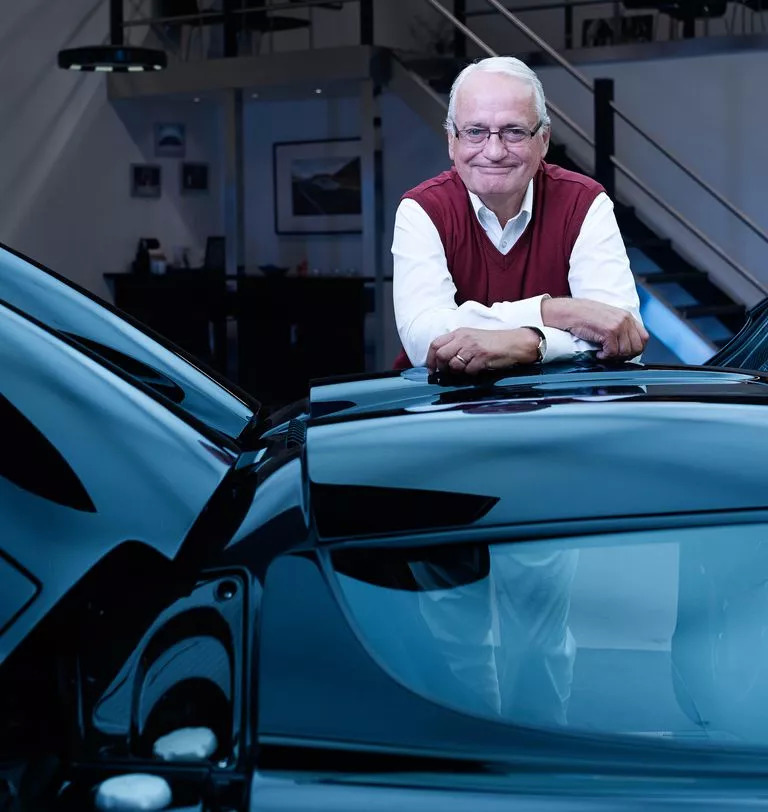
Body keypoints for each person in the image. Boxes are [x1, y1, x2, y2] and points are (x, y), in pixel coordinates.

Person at [392, 56, 649, 374]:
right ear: (451, 141)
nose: (494, 151)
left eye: (514, 132)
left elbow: (623, 338)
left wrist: (527, 343)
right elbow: (424, 340)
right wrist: (556, 312)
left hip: (559, 401)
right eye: (475, 131)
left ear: (544, 140)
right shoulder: (422, 209)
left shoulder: (583, 203)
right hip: (445, 401)